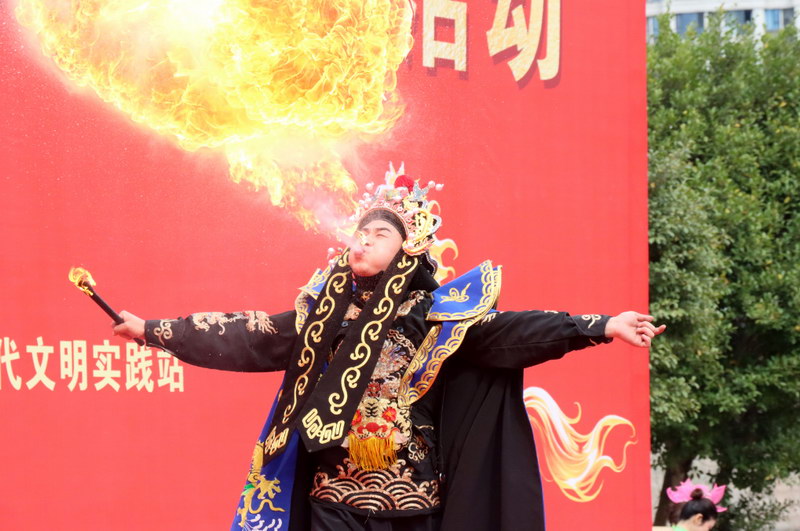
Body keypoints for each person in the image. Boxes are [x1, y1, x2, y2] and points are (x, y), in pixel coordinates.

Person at [113, 166, 665, 531]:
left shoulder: (437, 315)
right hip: (333, 496)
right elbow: (249, 333)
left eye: (381, 234)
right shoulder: (323, 314)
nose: (365, 239)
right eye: (362, 232)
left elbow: (513, 331)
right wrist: (155, 330)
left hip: (414, 502)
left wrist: (601, 325)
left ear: (408, 252)